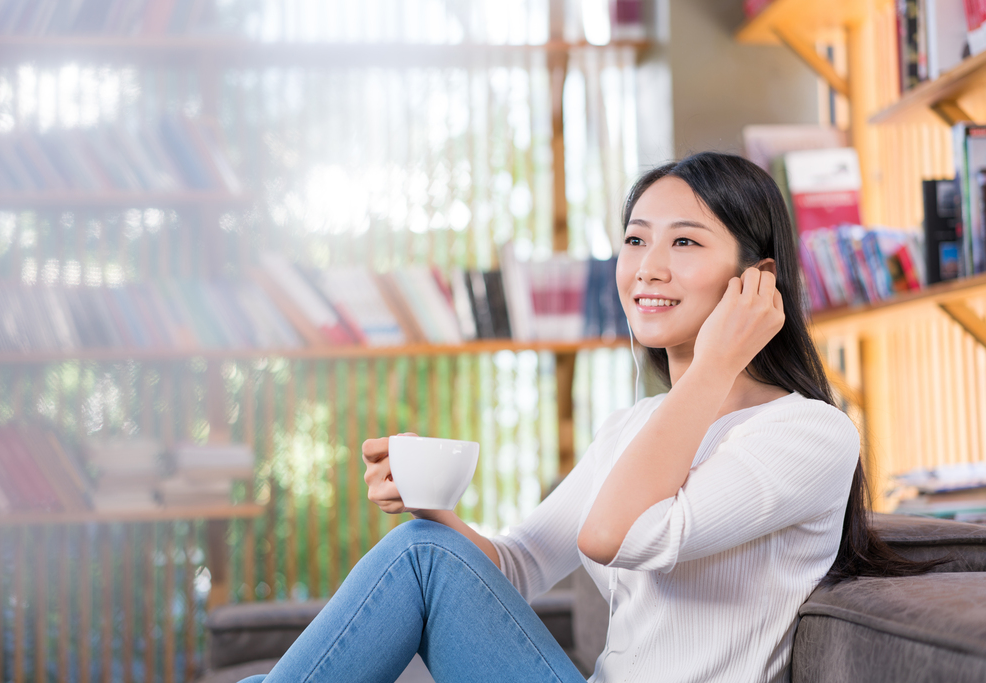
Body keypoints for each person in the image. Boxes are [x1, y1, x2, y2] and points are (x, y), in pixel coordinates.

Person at [238, 152, 934, 683]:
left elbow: (611, 534)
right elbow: (516, 566)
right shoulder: (635, 430)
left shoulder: (809, 433)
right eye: (636, 241)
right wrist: (432, 505)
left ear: (757, 281)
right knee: (424, 547)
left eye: (685, 243)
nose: (647, 268)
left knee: (420, 558)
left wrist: (719, 362)